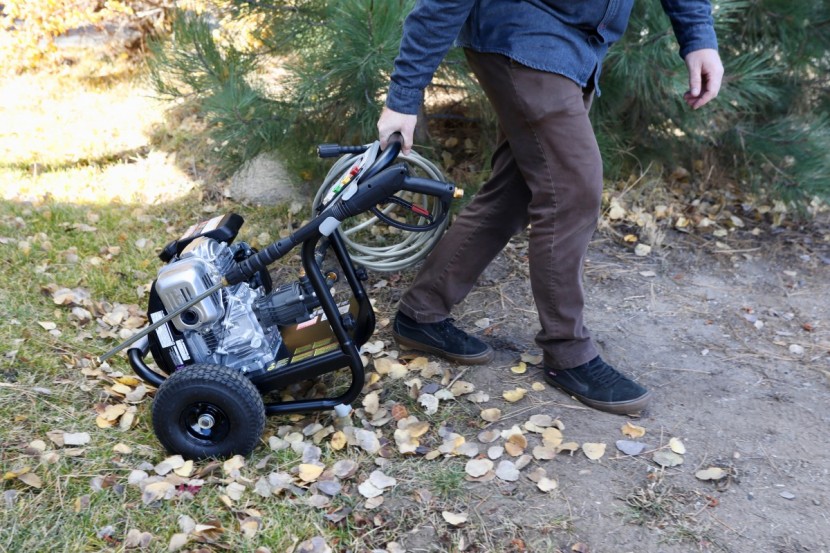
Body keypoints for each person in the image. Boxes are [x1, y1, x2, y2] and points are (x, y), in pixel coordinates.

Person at [377, 0, 723, 415]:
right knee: (572, 188)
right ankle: (568, 353)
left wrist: (699, 36)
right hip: (522, 33)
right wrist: (403, 96)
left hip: (579, 48)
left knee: (516, 189)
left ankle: (422, 312)